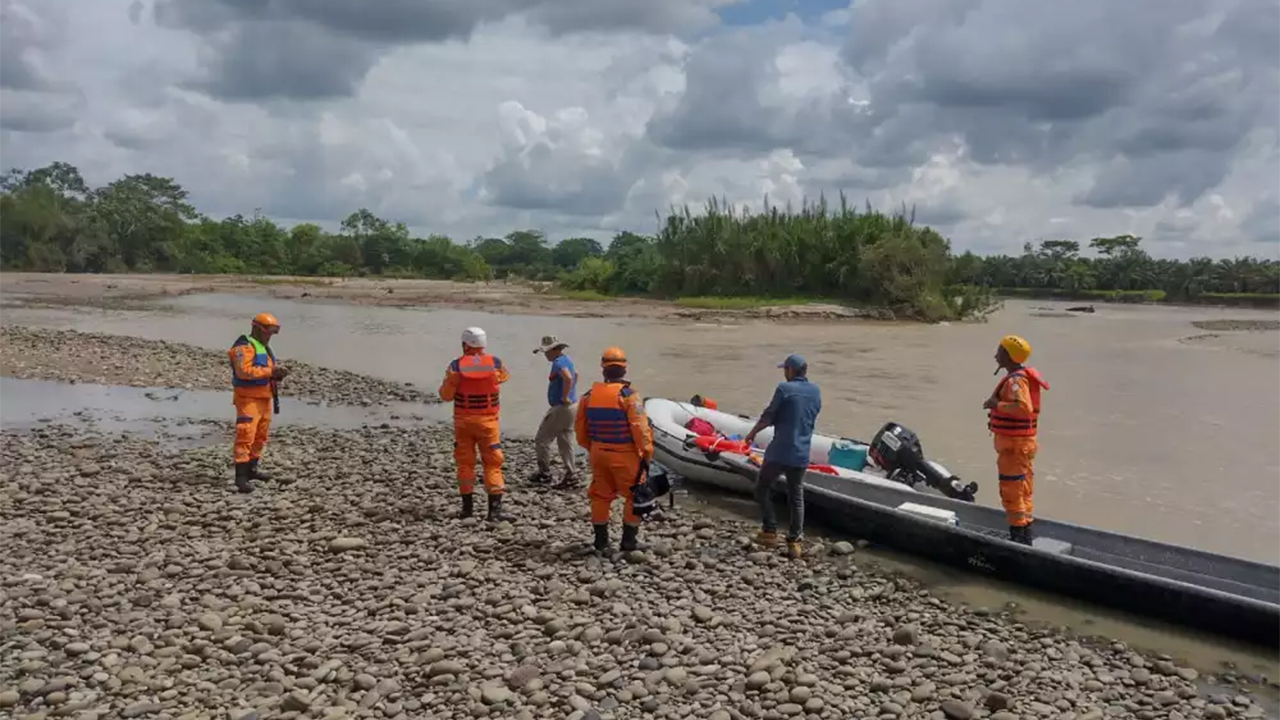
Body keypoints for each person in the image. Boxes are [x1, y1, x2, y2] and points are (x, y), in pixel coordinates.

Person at [575, 346, 654, 553]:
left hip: (598, 453)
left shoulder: (588, 396)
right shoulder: (629, 397)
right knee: (634, 495)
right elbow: (640, 429)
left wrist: (593, 448)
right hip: (624, 454)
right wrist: (646, 454)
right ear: (624, 370)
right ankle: (629, 542)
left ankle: (601, 542)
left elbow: (580, 430)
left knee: (600, 496)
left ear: (603, 369)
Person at [743, 354, 822, 559]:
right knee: (796, 496)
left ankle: (770, 531)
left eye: (785, 369)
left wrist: (751, 434)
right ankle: (794, 542)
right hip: (801, 452)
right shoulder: (815, 391)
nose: (784, 373)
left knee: (761, 488)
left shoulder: (784, 389)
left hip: (780, 451)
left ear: (790, 370)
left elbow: (768, 416)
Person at [438, 326, 512, 522]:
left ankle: (467, 510)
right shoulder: (495, 363)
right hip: (488, 423)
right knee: (493, 464)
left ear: (465, 344)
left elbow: (446, 395)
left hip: (463, 422)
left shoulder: (456, 366)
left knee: (465, 463)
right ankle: (494, 512)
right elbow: (504, 377)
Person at [983, 335, 1049, 546]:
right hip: (1022, 445)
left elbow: (1023, 408)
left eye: (999, 351)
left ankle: (1018, 538)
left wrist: (996, 404)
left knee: (1011, 491)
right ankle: (1025, 533)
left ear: (1009, 355)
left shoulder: (1015, 381)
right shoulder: (1021, 377)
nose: (995, 355)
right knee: (1023, 489)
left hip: (1015, 447)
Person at [228, 313, 289, 494]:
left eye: (272, 332)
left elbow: (263, 370)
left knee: (260, 436)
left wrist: (277, 375)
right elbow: (243, 371)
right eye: (267, 331)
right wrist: (270, 372)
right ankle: (240, 477)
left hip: (264, 397)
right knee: (245, 435)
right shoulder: (243, 346)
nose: (269, 336)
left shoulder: (263, 347)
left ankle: (252, 469)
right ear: (256, 328)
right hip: (248, 398)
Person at [528, 335, 580, 489]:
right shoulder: (567, 360)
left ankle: (544, 473)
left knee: (542, 440)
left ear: (554, 350)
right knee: (565, 441)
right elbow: (576, 375)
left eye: (546, 352)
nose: (545, 355)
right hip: (572, 407)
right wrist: (571, 393)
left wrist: (564, 396)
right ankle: (571, 474)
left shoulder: (558, 363)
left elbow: (568, 378)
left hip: (561, 407)